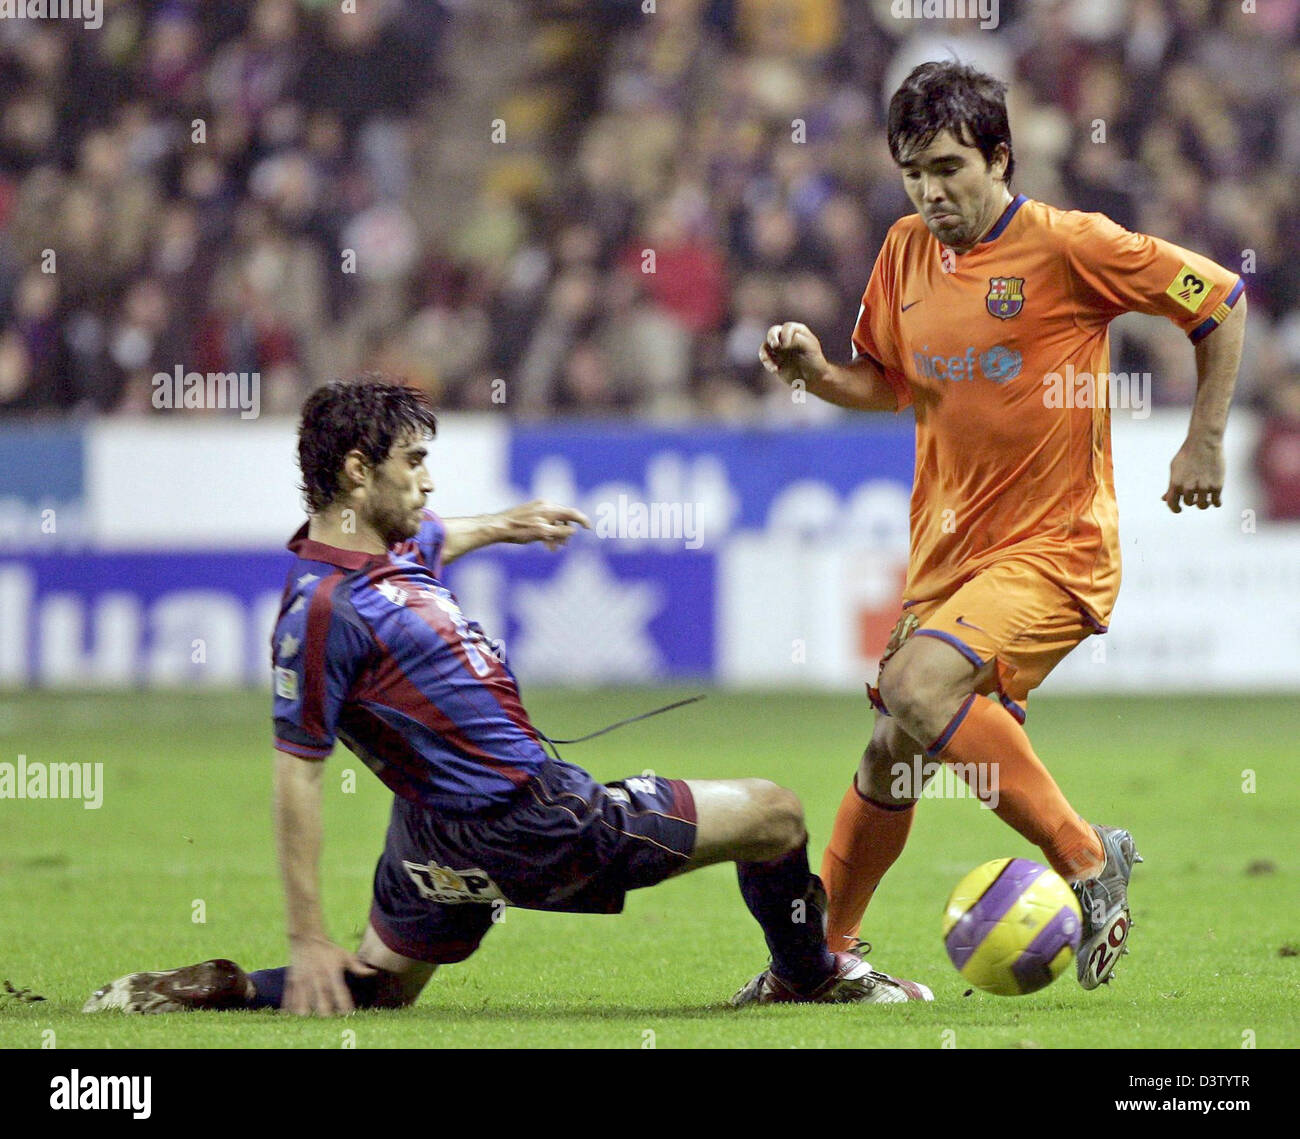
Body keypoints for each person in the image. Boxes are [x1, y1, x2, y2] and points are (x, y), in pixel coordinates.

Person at [83, 375, 933, 1015]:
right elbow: (296, 775)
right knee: (777, 814)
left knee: (376, 988)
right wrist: (306, 932)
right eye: (413, 462)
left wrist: (510, 522)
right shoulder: (322, 612)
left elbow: (442, 534)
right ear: (354, 470)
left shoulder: (381, 551)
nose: (427, 482)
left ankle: (220, 988)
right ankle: (808, 975)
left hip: (431, 835)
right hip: (536, 819)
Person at [754, 60, 1246, 996]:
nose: (931, 192)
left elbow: (1220, 300)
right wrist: (818, 372)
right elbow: (888, 383)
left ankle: (1091, 857)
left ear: (1000, 157)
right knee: (890, 751)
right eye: (913, 172)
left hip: (1056, 547)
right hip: (949, 561)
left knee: (915, 685)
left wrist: (1204, 442)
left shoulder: (1070, 245)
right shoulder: (903, 250)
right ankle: (819, 961)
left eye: (948, 168)